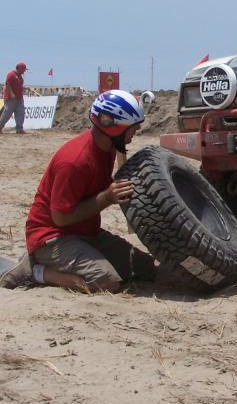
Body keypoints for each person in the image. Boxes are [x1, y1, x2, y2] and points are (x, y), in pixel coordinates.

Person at [0, 90, 157, 292]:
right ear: (115, 127)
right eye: (133, 127)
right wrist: (107, 197)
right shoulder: (74, 161)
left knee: (145, 269)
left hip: (85, 232)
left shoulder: (108, 147)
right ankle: (34, 270)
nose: (137, 130)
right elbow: (60, 219)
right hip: (51, 238)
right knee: (106, 282)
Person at [0, 62, 28, 134]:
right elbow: (7, 84)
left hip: (19, 98)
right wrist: (11, 93)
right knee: (7, 114)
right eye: (24, 69)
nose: (24, 71)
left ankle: (19, 128)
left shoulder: (20, 77)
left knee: (21, 113)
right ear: (19, 68)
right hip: (10, 98)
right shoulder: (11, 74)